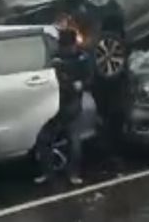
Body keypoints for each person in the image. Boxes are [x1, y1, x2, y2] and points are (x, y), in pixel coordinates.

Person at [35, 28, 92, 185]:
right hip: (53, 104)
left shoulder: (82, 59)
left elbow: (89, 78)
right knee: (44, 140)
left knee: (73, 141)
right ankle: (48, 173)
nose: (66, 49)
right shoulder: (56, 59)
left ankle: (73, 173)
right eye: (64, 46)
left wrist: (80, 84)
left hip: (71, 104)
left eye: (68, 45)